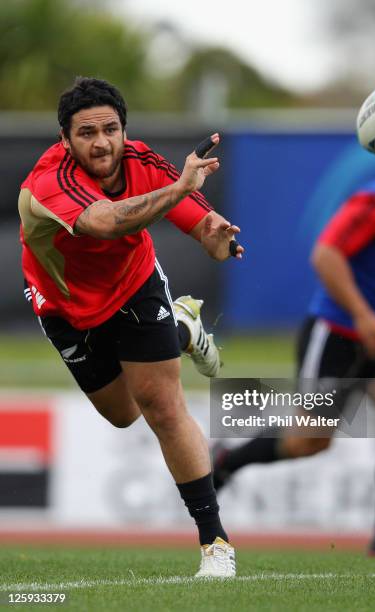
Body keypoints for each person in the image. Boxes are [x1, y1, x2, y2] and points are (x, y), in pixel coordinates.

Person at [19, 77, 244, 577]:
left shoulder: (144, 163)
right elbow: (106, 222)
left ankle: (215, 543)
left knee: (163, 406)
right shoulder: (48, 181)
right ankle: (183, 330)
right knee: (122, 414)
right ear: (65, 140)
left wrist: (219, 236)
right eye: (86, 133)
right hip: (64, 306)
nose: (101, 142)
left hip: (135, 286)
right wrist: (181, 187)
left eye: (111, 129)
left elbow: (203, 227)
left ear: (124, 130)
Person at [213, 136, 375, 558]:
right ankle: (226, 461)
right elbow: (325, 255)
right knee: (310, 441)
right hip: (337, 335)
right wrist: (362, 314)